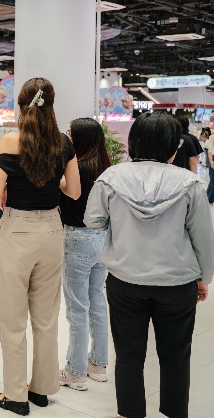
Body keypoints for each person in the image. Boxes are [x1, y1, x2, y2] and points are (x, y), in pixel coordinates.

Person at [85, 111, 214, 418]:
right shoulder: (189, 183)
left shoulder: (111, 178)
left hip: (125, 281)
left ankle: (129, 413)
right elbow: (203, 238)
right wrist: (204, 277)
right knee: (176, 356)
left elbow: (93, 220)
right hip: (177, 282)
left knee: (128, 354)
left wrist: (119, 223)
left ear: (134, 142)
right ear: (173, 147)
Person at [0, 78, 81, 415]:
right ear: (51, 105)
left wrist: (13, 183)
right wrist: (50, 178)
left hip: (18, 232)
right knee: (46, 317)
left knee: (12, 318)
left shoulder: (11, 140)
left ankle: (15, 395)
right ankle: (41, 389)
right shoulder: (62, 143)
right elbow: (73, 191)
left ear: (22, 105)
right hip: (52, 231)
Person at [58, 118, 112, 391]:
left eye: (70, 133)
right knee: (97, 301)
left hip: (78, 238)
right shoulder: (106, 169)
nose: (67, 137)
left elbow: (68, 192)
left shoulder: (74, 168)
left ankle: (75, 372)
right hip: (102, 238)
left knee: (77, 308)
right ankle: (98, 365)